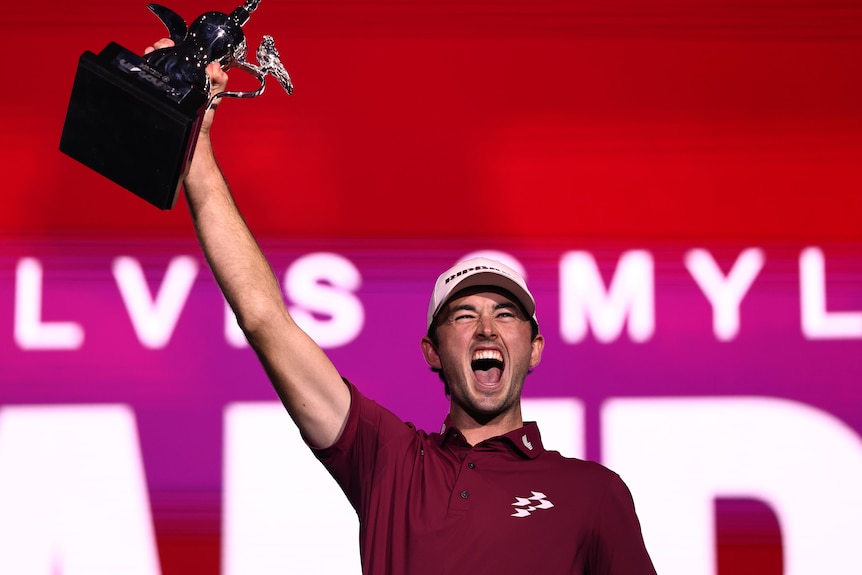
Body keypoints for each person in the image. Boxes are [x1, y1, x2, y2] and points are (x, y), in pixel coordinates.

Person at [146, 39, 656, 574]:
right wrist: (197, 151)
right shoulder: (389, 461)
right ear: (432, 351)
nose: (487, 329)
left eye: (506, 314)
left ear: (534, 349)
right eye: (464, 316)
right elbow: (263, 318)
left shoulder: (592, 494)